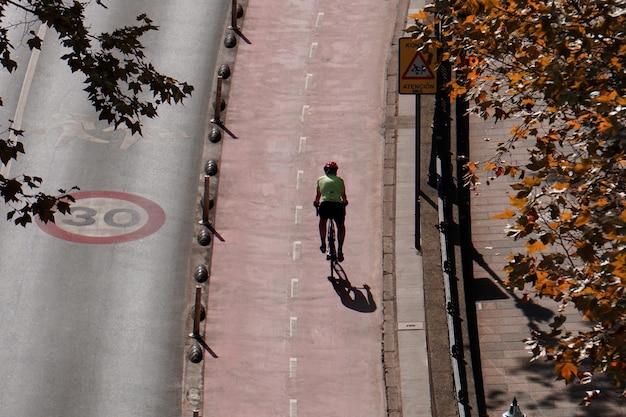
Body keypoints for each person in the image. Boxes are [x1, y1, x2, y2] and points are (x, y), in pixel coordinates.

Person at [314, 161, 348, 262]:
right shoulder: (340, 181)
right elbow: (344, 196)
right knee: (341, 226)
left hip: (325, 205)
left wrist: (316, 203)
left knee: (322, 221)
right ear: (336, 171)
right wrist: (345, 202)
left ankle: (323, 243)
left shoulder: (320, 180)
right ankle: (340, 249)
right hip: (337, 206)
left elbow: (318, 196)